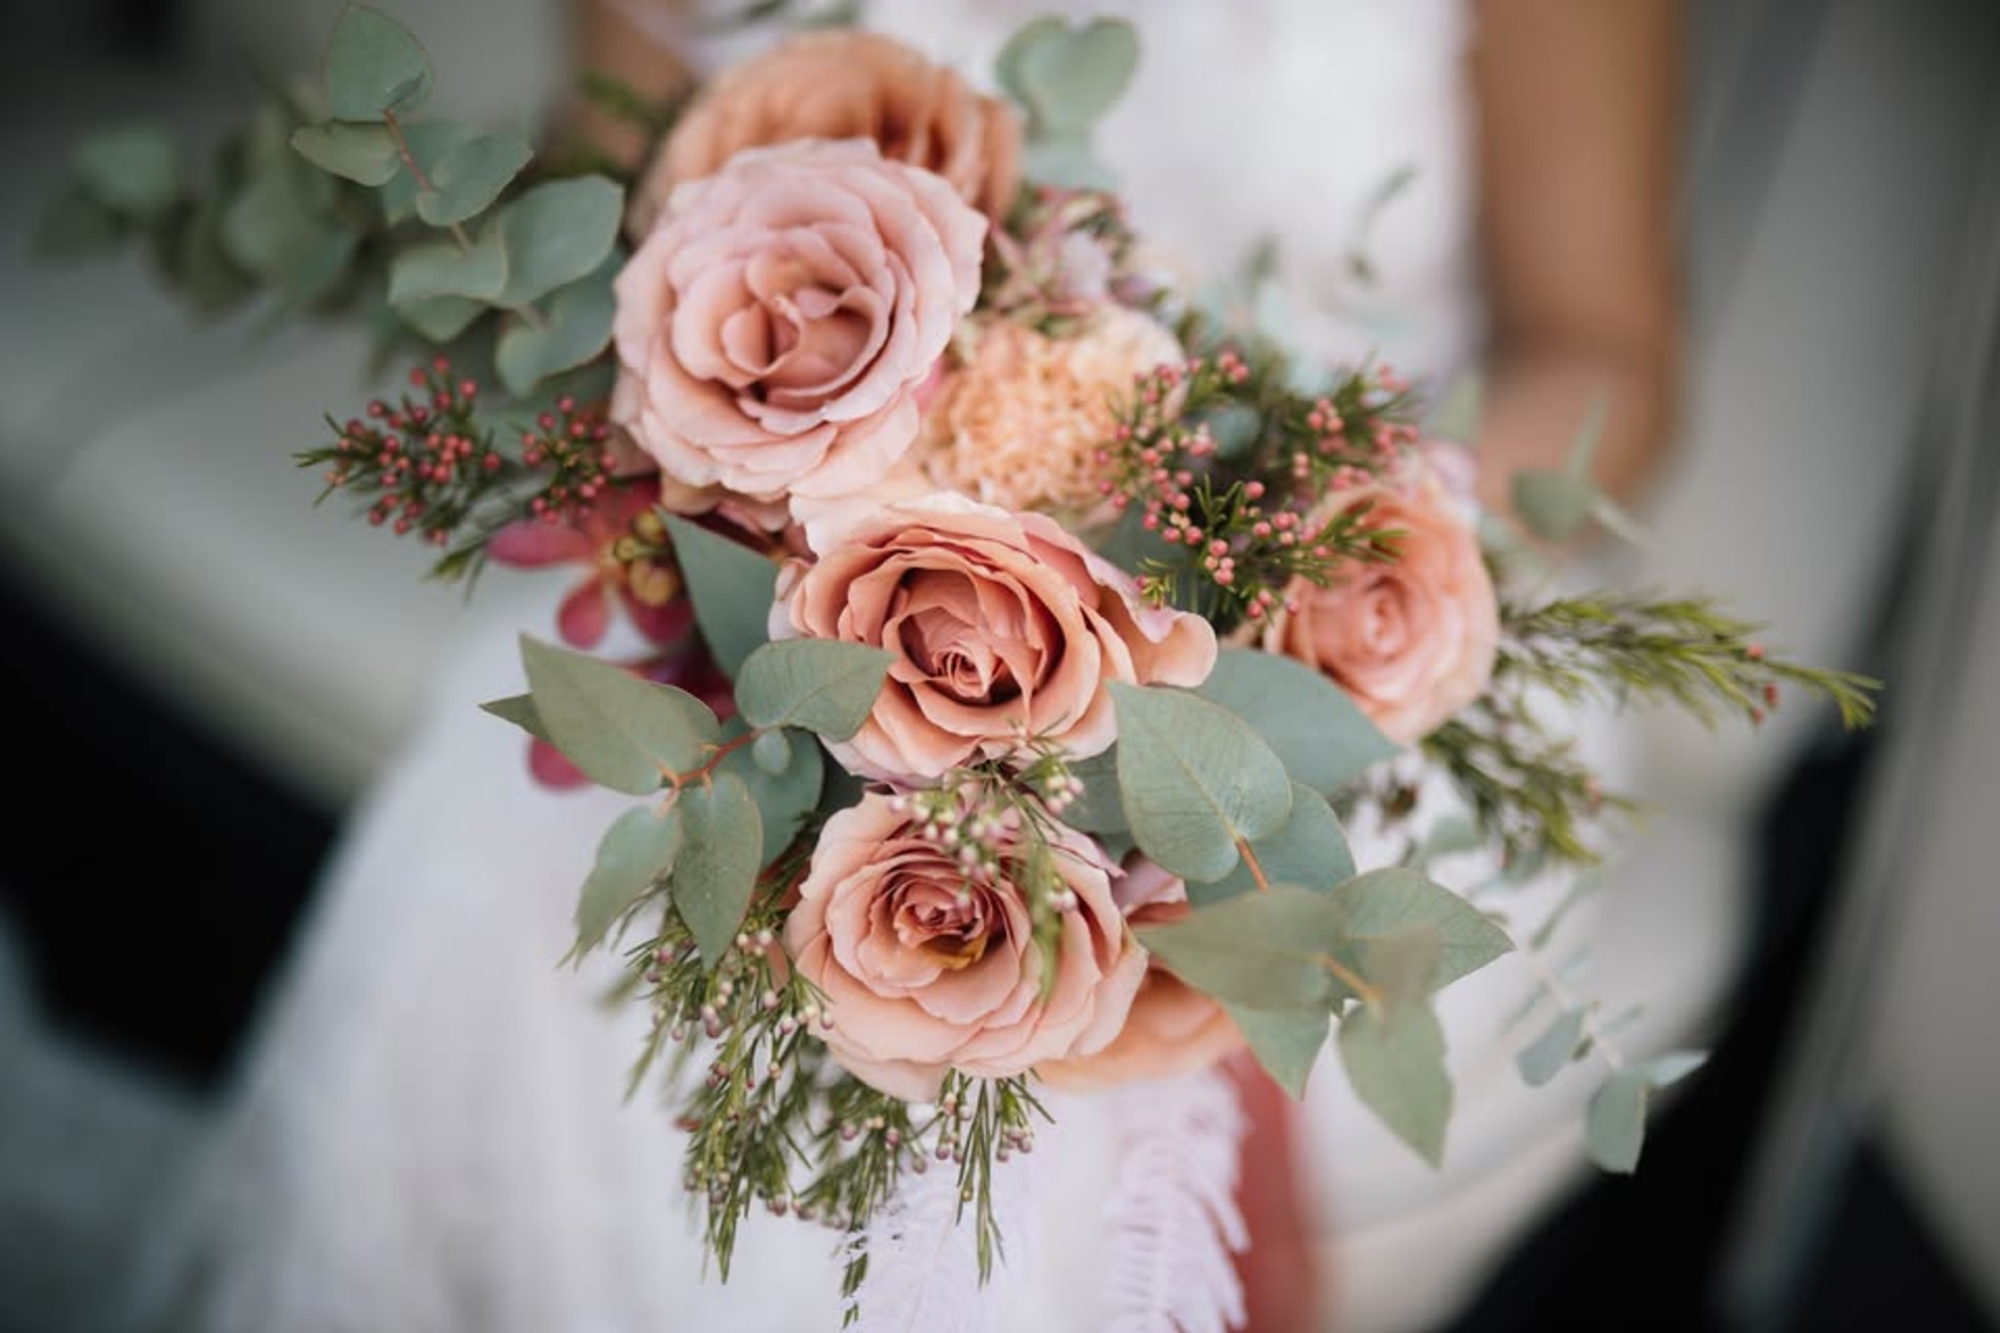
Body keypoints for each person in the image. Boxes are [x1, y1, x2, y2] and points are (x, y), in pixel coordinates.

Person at [124, 1, 1681, 1330]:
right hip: (795, 555)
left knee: (1069, 1035)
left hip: (1356, 585)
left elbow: (1606, 353)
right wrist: (803, 491)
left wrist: (1284, 534)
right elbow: (621, 224)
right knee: (579, 854)